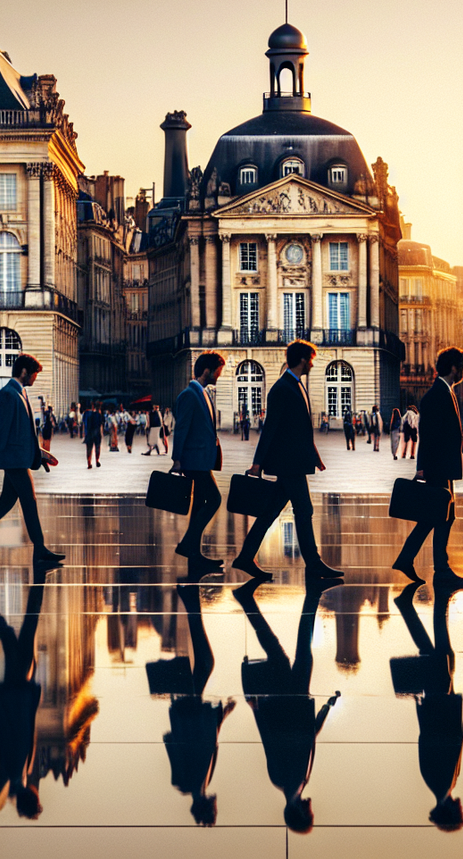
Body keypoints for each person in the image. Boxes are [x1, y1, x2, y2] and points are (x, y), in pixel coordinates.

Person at [235, 575, 340, 833]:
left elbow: (271, 740)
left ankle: (309, 594)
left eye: (310, 815)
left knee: (296, 651)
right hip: (293, 703)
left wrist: (256, 709)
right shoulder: (296, 781)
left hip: (288, 702)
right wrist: (326, 708)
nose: (312, 809)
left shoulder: (285, 780)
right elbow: (309, 737)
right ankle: (254, 600)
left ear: (300, 813)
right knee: (292, 651)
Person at [235, 340, 342, 582]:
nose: (313, 363)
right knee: (304, 510)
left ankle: (245, 556)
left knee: (271, 511)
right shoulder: (282, 388)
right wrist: (257, 463)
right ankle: (313, 564)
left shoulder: (294, 385)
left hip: (293, 462)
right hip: (288, 463)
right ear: (303, 360)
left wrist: (314, 455)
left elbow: (299, 427)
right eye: (311, 359)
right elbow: (270, 428)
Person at [0, 564, 58, 820]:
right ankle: (37, 578)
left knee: (16, 631)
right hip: (19, 693)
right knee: (21, 631)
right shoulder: (21, 774)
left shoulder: (16, 770)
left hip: (16, 692)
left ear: (32, 797)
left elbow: (8, 730)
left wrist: (1, 699)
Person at [392, 579, 463, 832]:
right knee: (439, 654)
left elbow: (456, 741)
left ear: (450, 812)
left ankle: (420, 606)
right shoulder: (439, 784)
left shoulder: (443, 783)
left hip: (440, 708)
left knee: (439, 655)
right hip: (435, 709)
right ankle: (429, 605)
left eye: (460, 815)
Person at [392, 347, 463, 586]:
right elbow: (428, 434)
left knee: (439, 516)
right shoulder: (437, 395)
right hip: (437, 467)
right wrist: (422, 466)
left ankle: (409, 559)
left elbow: (454, 435)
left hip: (442, 465)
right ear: (454, 367)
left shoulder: (446, 392)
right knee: (441, 516)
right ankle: (440, 570)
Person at [0, 354, 61, 564]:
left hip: (20, 458)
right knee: (29, 501)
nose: (35, 378)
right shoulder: (7, 394)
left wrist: (39, 454)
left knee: (6, 503)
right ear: (24, 371)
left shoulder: (20, 393)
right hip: (14, 461)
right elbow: (3, 432)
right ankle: (40, 549)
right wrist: (5, 461)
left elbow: (24, 432)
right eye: (34, 374)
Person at [160, 581, 234, 825]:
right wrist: (223, 714)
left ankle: (190, 599)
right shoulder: (196, 782)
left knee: (205, 664)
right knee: (204, 664)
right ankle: (191, 600)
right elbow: (208, 741)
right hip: (190, 715)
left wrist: (219, 715)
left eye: (214, 810)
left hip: (191, 715)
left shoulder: (191, 781)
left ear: (206, 807)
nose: (217, 804)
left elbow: (203, 743)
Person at [172, 352, 226, 565]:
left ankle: (194, 553)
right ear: (207, 371)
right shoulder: (189, 394)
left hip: (202, 459)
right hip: (194, 461)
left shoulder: (203, 393)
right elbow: (181, 427)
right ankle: (187, 544)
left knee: (199, 504)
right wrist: (177, 459)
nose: (219, 376)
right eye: (218, 371)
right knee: (214, 499)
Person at [83, 401, 104, 468]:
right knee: (97, 447)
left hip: (89, 433)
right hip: (97, 433)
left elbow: (84, 423)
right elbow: (101, 424)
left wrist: (83, 433)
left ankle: (89, 463)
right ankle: (97, 461)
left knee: (89, 448)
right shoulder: (99, 415)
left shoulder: (86, 413)